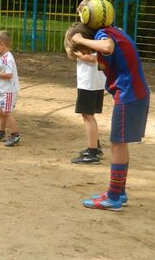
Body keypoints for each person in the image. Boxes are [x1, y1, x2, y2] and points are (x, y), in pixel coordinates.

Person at [67, 14, 149, 211]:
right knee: (119, 143)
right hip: (135, 94)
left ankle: (113, 197)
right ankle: (119, 192)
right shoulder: (113, 31)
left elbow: (107, 47)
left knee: (117, 144)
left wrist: (78, 40)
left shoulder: (104, 35)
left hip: (129, 95)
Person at [64, 22, 106, 164]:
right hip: (92, 83)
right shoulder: (97, 41)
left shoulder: (92, 45)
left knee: (88, 116)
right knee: (88, 115)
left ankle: (92, 152)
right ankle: (95, 146)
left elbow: (94, 58)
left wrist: (76, 54)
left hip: (89, 84)